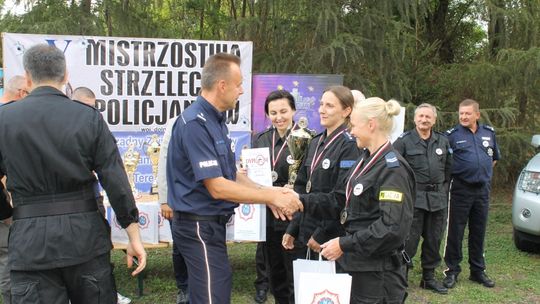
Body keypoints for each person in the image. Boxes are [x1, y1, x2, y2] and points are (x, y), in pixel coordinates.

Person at [0, 44, 146, 304]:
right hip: (84, 239)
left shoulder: (4, 120)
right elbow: (116, 181)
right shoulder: (88, 118)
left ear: (28, 78)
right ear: (66, 75)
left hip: (30, 240)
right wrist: (133, 234)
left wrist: (7, 214)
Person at [167, 52, 303, 304]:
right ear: (222, 85)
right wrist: (271, 194)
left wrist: (269, 196)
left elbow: (232, 176)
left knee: (214, 291)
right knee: (213, 297)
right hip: (198, 226)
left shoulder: (215, 121)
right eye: (239, 84)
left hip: (211, 227)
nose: (242, 90)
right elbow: (217, 187)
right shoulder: (194, 124)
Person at [301, 97, 415, 303]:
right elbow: (339, 202)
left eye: (353, 125)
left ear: (371, 125)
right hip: (356, 265)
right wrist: (301, 201)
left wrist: (345, 244)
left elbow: (391, 228)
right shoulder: (364, 160)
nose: (351, 131)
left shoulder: (392, 170)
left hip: (377, 274)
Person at [71, 86, 133, 304]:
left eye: (94, 108)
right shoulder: (72, 125)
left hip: (91, 201)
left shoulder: (94, 124)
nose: (91, 113)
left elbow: (112, 175)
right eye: (88, 108)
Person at [393, 103, 452, 294]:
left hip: (437, 200)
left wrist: (442, 190)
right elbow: (394, 170)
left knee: (434, 239)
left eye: (428, 117)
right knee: (409, 239)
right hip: (413, 199)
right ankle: (401, 277)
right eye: (421, 116)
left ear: (434, 120)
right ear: (414, 119)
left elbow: (449, 169)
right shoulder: (403, 141)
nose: (424, 120)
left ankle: (428, 278)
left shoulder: (442, 141)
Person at [442, 99, 500, 289]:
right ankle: (451, 271)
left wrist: (480, 173)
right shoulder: (451, 135)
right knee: (455, 232)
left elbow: (493, 159)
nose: (464, 117)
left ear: (477, 114)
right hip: (460, 190)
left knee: (478, 231)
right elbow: (444, 163)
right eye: (461, 113)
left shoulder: (489, 133)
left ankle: (477, 271)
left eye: (468, 113)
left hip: (482, 191)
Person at [252, 90, 299, 304]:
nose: (278, 117)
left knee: (293, 268)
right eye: (273, 113)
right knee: (275, 268)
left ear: (293, 111)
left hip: (291, 213)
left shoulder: (305, 139)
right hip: (268, 211)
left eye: (283, 111)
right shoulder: (261, 139)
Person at [0, 75, 27, 304]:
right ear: (21, 93)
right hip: (4, 210)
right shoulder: (8, 120)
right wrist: (6, 211)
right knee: (7, 257)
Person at [157, 115, 190, 304]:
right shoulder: (177, 122)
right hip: (178, 200)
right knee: (180, 247)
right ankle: (184, 288)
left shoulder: (217, 122)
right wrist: (164, 199)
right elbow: (163, 161)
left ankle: (200, 286)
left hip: (204, 201)